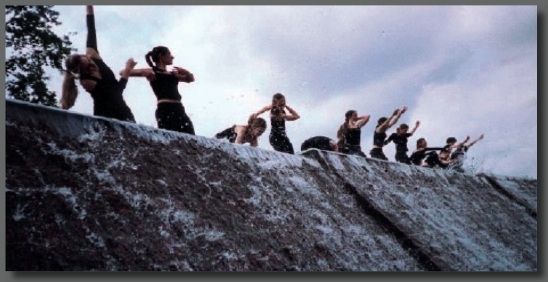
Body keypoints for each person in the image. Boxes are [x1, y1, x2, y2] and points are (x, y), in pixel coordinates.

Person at [61, 5, 136, 123]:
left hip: (122, 109)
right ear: (82, 70)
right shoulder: (86, 81)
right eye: (88, 67)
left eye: (89, 60)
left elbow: (91, 27)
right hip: (106, 115)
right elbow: (116, 91)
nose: (92, 64)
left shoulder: (92, 53)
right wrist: (127, 69)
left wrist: (89, 6)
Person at [125, 46, 195, 135]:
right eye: (169, 54)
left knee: (190, 135)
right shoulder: (153, 71)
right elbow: (123, 72)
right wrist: (144, 72)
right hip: (165, 109)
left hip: (179, 108)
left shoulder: (172, 74)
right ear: (161, 56)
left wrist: (186, 72)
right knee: (171, 136)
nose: (172, 57)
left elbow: (190, 79)